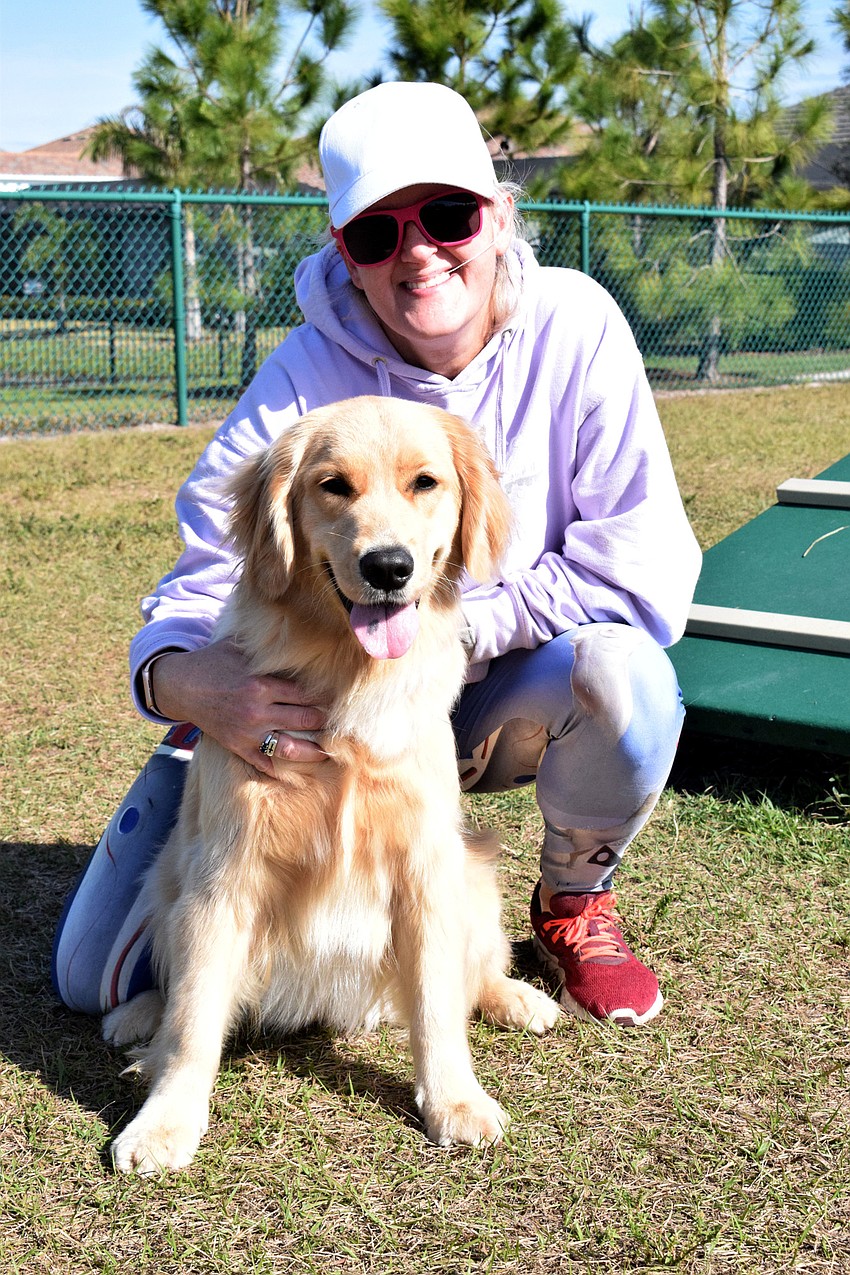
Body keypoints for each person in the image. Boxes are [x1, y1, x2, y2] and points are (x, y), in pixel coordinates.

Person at [53, 80, 702, 1028]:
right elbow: (206, 566)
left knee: (627, 677)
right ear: (345, 256)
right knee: (94, 982)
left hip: (496, 692)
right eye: (376, 234)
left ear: (499, 214)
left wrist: (451, 630)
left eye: (447, 215)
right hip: (302, 708)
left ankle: (572, 901)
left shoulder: (580, 325)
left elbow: (637, 562)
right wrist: (186, 685)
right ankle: (309, 918)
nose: (419, 252)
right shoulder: (300, 379)